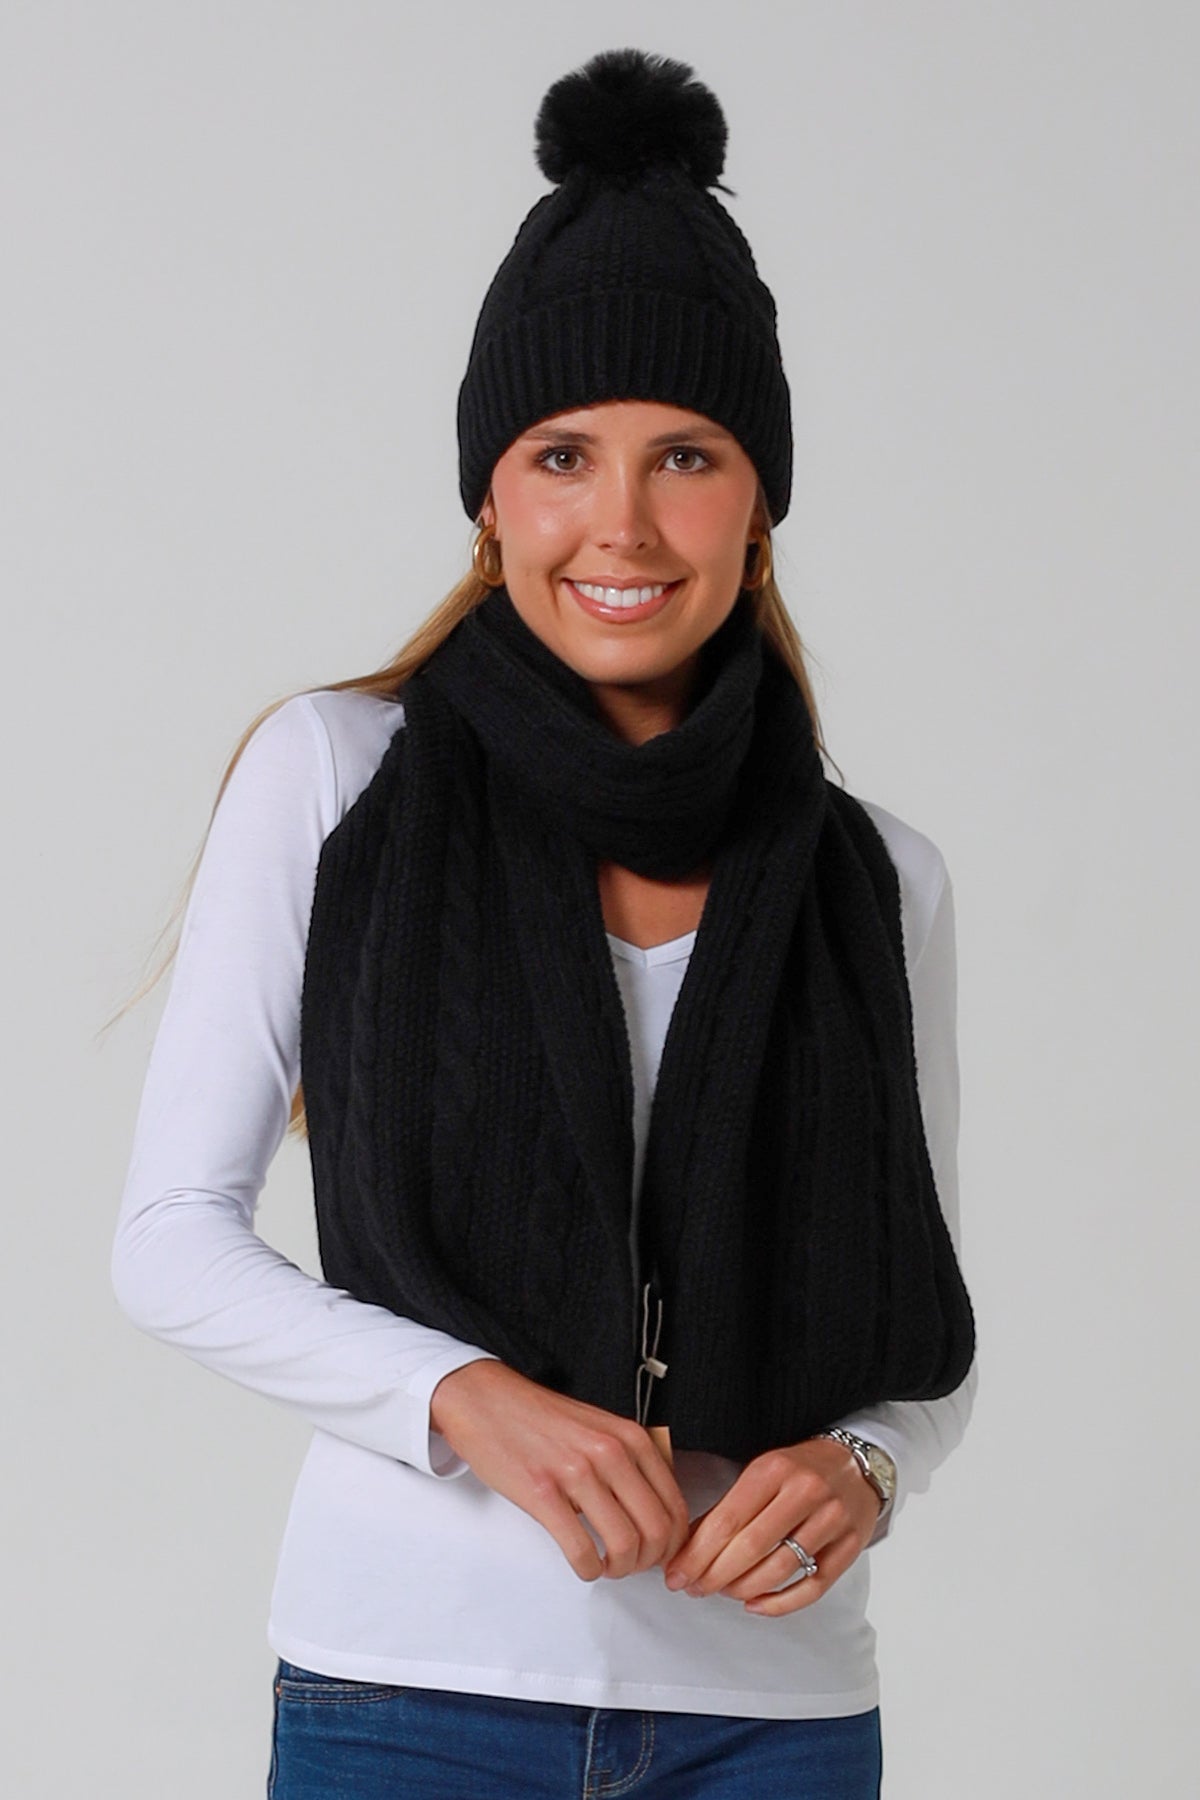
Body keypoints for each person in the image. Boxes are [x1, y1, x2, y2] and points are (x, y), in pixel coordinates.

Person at [112, 47, 976, 1799]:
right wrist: (467, 1400)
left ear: (760, 499)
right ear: (489, 493)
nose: (622, 525)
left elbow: (926, 1340)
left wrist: (871, 1468)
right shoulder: (337, 775)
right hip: (408, 1693)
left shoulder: (875, 875)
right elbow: (171, 1240)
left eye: (688, 457)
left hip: (777, 1718)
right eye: (563, 454)